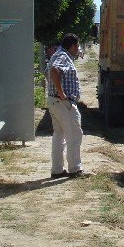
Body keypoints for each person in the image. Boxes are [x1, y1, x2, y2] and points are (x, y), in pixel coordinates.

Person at [46, 33, 88, 178]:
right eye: (78, 46)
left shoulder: (58, 54)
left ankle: (57, 170)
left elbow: (49, 72)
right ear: (73, 45)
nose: (78, 49)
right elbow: (53, 71)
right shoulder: (63, 56)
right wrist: (62, 94)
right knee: (75, 136)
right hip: (63, 103)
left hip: (54, 101)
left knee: (59, 135)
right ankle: (75, 169)